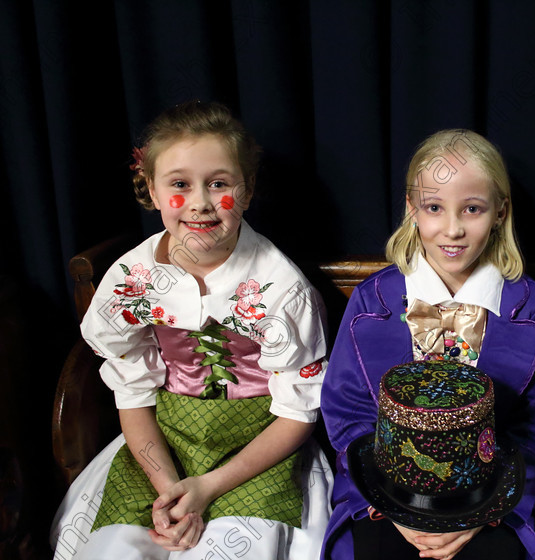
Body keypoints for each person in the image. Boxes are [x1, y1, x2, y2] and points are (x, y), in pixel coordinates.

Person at [50, 100, 333, 559]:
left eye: (219, 183)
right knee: (120, 547)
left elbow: (297, 414)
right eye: (180, 185)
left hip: (260, 450)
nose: (200, 202)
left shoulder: (281, 289)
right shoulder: (131, 280)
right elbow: (134, 392)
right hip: (163, 443)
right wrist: (171, 489)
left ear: (247, 188)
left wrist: (206, 488)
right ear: (152, 191)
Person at [321, 129, 535, 560]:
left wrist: (482, 514)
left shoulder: (530, 307)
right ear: (413, 210)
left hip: (490, 497)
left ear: (499, 212)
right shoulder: (370, 300)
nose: (453, 229)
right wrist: (394, 507)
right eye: (435, 208)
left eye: (472, 209)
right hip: (387, 493)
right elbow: (348, 410)